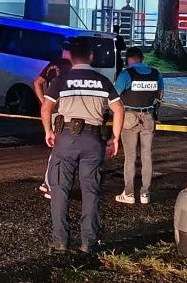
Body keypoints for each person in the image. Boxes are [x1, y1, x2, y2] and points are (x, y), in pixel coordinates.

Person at [40, 37, 125, 253]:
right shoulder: (102, 81)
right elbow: (119, 109)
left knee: (60, 190)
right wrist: (115, 138)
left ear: (70, 57)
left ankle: (60, 240)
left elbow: (46, 108)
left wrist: (48, 131)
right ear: (91, 56)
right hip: (93, 140)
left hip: (66, 138)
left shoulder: (62, 79)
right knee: (91, 190)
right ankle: (89, 241)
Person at [114, 47, 164, 205]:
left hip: (129, 117)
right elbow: (160, 95)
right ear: (142, 58)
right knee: (146, 155)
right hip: (148, 116)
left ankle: (129, 193)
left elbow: (114, 95)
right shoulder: (156, 73)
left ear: (129, 60)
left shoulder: (126, 74)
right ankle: (145, 194)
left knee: (130, 157)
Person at [33, 40, 73, 200]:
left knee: (57, 149)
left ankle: (46, 182)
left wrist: (44, 101)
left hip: (52, 110)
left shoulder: (52, 65)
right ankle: (51, 184)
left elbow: (37, 82)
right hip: (62, 112)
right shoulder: (69, 67)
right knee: (59, 150)